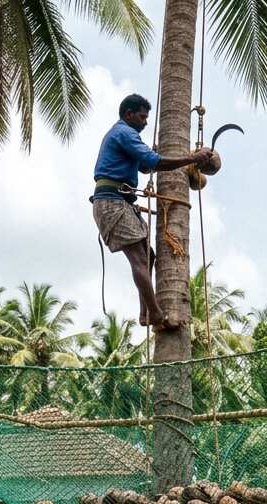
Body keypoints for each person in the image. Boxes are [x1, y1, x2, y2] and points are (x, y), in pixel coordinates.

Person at [92, 94, 213, 330]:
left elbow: (146, 165)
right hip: (112, 202)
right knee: (138, 258)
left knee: (148, 257)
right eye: (142, 116)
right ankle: (156, 314)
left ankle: (146, 313)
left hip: (118, 201)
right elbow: (154, 163)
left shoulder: (126, 137)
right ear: (128, 114)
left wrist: (159, 154)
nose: (146, 122)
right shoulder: (124, 133)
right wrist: (191, 157)